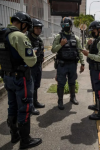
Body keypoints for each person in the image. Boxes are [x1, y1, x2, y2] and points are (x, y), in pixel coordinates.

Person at [0, 12, 42, 149]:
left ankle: (14, 134)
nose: (27, 30)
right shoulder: (18, 36)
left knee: (12, 106)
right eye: (27, 27)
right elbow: (31, 62)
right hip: (20, 78)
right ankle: (25, 140)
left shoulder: (3, 34)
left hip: (7, 76)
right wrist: (33, 54)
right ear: (23, 24)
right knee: (24, 108)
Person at [51, 17, 85, 110]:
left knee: (72, 81)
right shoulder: (58, 37)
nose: (64, 27)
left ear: (70, 25)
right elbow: (53, 50)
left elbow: (79, 51)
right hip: (62, 64)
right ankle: (60, 100)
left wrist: (82, 63)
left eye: (66, 25)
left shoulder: (76, 38)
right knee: (61, 83)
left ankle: (72, 97)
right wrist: (61, 44)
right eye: (63, 25)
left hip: (73, 64)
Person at [82, 21, 100, 120]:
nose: (92, 32)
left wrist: (88, 54)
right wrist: (88, 44)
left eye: (93, 30)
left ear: (99, 30)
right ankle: (97, 106)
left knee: (99, 90)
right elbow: (91, 50)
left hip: (99, 70)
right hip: (94, 68)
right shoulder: (96, 40)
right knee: (95, 89)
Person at [27, 18, 45, 115]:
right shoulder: (27, 39)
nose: (39, 30)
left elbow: (41, 50)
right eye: (37, 28)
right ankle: (30, 106)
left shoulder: (39, 39)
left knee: (36, 85)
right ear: (31, 28)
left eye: (40, 28)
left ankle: (35, 102)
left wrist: (42, 57)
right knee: (31, 86)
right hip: (31, 66)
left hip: (38, 65)